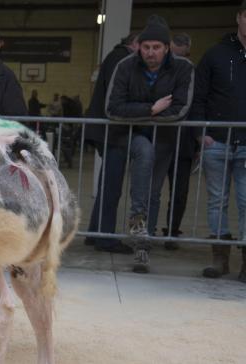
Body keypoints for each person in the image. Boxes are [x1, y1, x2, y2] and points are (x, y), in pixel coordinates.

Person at [106, 14, 194, 273]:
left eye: (157, 47)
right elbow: (112, 108)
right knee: (144, 151)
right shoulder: (125, 66)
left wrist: (143, 113)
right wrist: (152, 109)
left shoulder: (184, 68)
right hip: (129, 136)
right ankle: (139, 224)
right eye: (146, 47)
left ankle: (143, 243)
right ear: (139, 46)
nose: (151, 52)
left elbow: (180, 109)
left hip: (164, 139)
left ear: (167, 48)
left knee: (153, 191)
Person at [190, 1, 246, 282]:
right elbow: (198, 97)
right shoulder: (215, 55)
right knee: (217, 202)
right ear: (238, 17)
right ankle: (219, 259)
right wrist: (202, 133)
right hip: (218, 144)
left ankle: (245, 263)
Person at [83, 32, 139, 254]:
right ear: (134, 44)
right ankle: (105, 238)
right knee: (111, 187)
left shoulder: (114, 56)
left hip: (104, 130)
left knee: (108, 185)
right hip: (113, 131)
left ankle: (95, 232)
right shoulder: (123, 60)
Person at [161, 32, 196, 250]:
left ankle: (170, 231)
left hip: (179, 141)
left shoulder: (191, 73)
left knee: (177, 191)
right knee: (171, 191)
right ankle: (168, 231)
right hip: (169, 140)